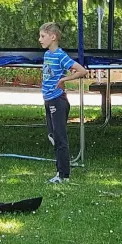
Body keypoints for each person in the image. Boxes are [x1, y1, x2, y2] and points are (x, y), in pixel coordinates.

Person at [39, 22, 87, 184]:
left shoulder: (60, 55)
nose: (40, 39)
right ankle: (59, 171)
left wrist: (64, 79)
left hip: (58, 101)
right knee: (52, 136)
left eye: (43, 36)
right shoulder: (47, 55)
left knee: (60, 139)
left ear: (53, 37)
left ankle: (63, 175)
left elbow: (82, 71)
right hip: (48, 100)